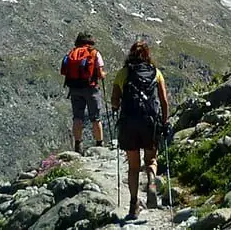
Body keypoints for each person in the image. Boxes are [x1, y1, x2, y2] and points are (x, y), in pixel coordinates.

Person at [110, 35, 170, 219]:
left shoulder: (123, 73)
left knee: (133, 167)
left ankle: (134, 204)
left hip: (129, 124)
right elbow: (164, 101)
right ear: (147, 54)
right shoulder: (156, 72)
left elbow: (114, 100)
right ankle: (152, 183)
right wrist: (164, 122)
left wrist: (117, 108)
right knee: (151, 160)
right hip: (150, 123)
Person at [61, 33, 106, 153]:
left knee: (77, 117)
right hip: (91, 88)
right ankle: (99, 144)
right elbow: (100, 74)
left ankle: (78, 145)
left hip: (74, 88)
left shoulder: (72, 53)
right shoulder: (94, 53)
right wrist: (102, 75)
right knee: (96, 117)